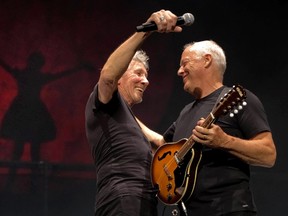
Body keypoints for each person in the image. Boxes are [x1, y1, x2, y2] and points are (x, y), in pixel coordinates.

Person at [149, 40, 277, 216]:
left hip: (229, 210)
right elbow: (161, 145)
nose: (179, 71)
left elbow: (269, 155)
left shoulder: (239, 99)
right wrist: (125, 113)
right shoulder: (186, 111)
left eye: (184, 63)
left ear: (207, 60)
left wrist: (224, 141)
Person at [85, 10, 182, 216]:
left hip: (143, 203)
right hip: (123, 200)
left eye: (146, 76)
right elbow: (108, 76)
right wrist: (148, 29)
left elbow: (161, 142)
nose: (146, 81)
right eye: (138, 73)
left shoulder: (126, 119)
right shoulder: (105, 101)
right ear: (121, 76)